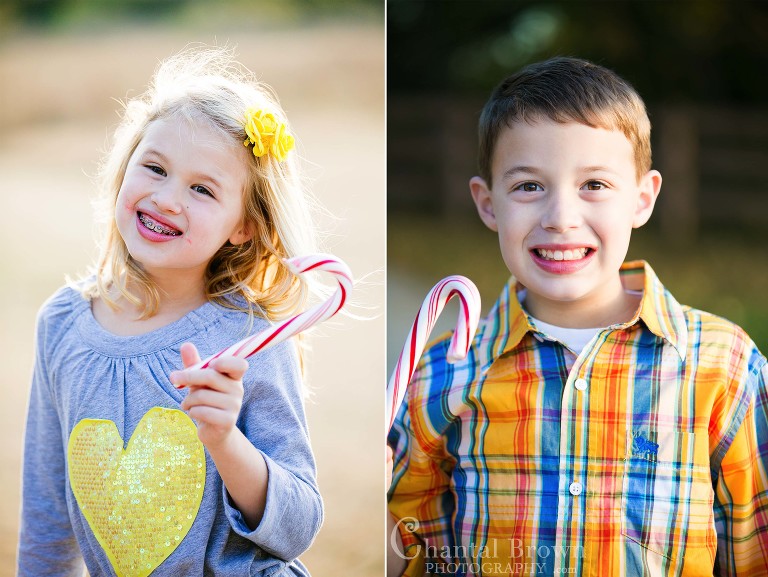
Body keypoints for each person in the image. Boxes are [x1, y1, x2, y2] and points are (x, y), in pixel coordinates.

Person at [387, 57, 768, 576]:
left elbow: (754, 553)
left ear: (642, 198)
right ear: (488, 203)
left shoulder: (723, 368)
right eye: (528, 186)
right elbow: (417, 559)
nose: (561, 217)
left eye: (594, 185)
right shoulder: (441, 374)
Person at [18, 47, 325, 576]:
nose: (166, 198)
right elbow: (47, 521)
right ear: (125, 169)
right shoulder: (62, 325)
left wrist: (226, 442)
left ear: (243, 226)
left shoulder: (247, 339)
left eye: (202, 188)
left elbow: (298, 527)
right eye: (155, 168)